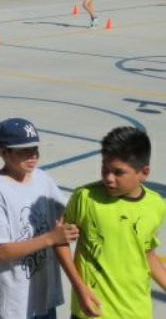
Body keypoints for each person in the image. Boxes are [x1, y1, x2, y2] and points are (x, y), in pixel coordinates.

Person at [56, 126, 166, 319]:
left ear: (144, 172)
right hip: (93, 311)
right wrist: (80, 288)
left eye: (118, 172)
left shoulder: (156, 205)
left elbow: (147, 254)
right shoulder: (85, 198)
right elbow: (60, 241)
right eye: (105, 169)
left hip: (137, 312)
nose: (108, 178)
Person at [0, 118, 78, 319]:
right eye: (23, 150)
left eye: (34, 148)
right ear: (3, 152)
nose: (33, 155)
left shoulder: (42, 178)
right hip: (14, 304)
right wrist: (50, 238)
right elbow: (2, 251)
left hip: (43, 298)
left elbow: (67, 212)